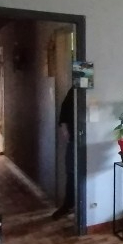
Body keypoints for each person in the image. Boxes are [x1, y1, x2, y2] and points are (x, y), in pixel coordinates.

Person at [52, 88, 75, 220]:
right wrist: (68, 137)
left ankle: (74, 205)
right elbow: (63, 118)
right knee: (71, 173)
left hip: (89, 141)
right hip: (74, 141)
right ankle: (69, 204)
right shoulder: (72, 93)